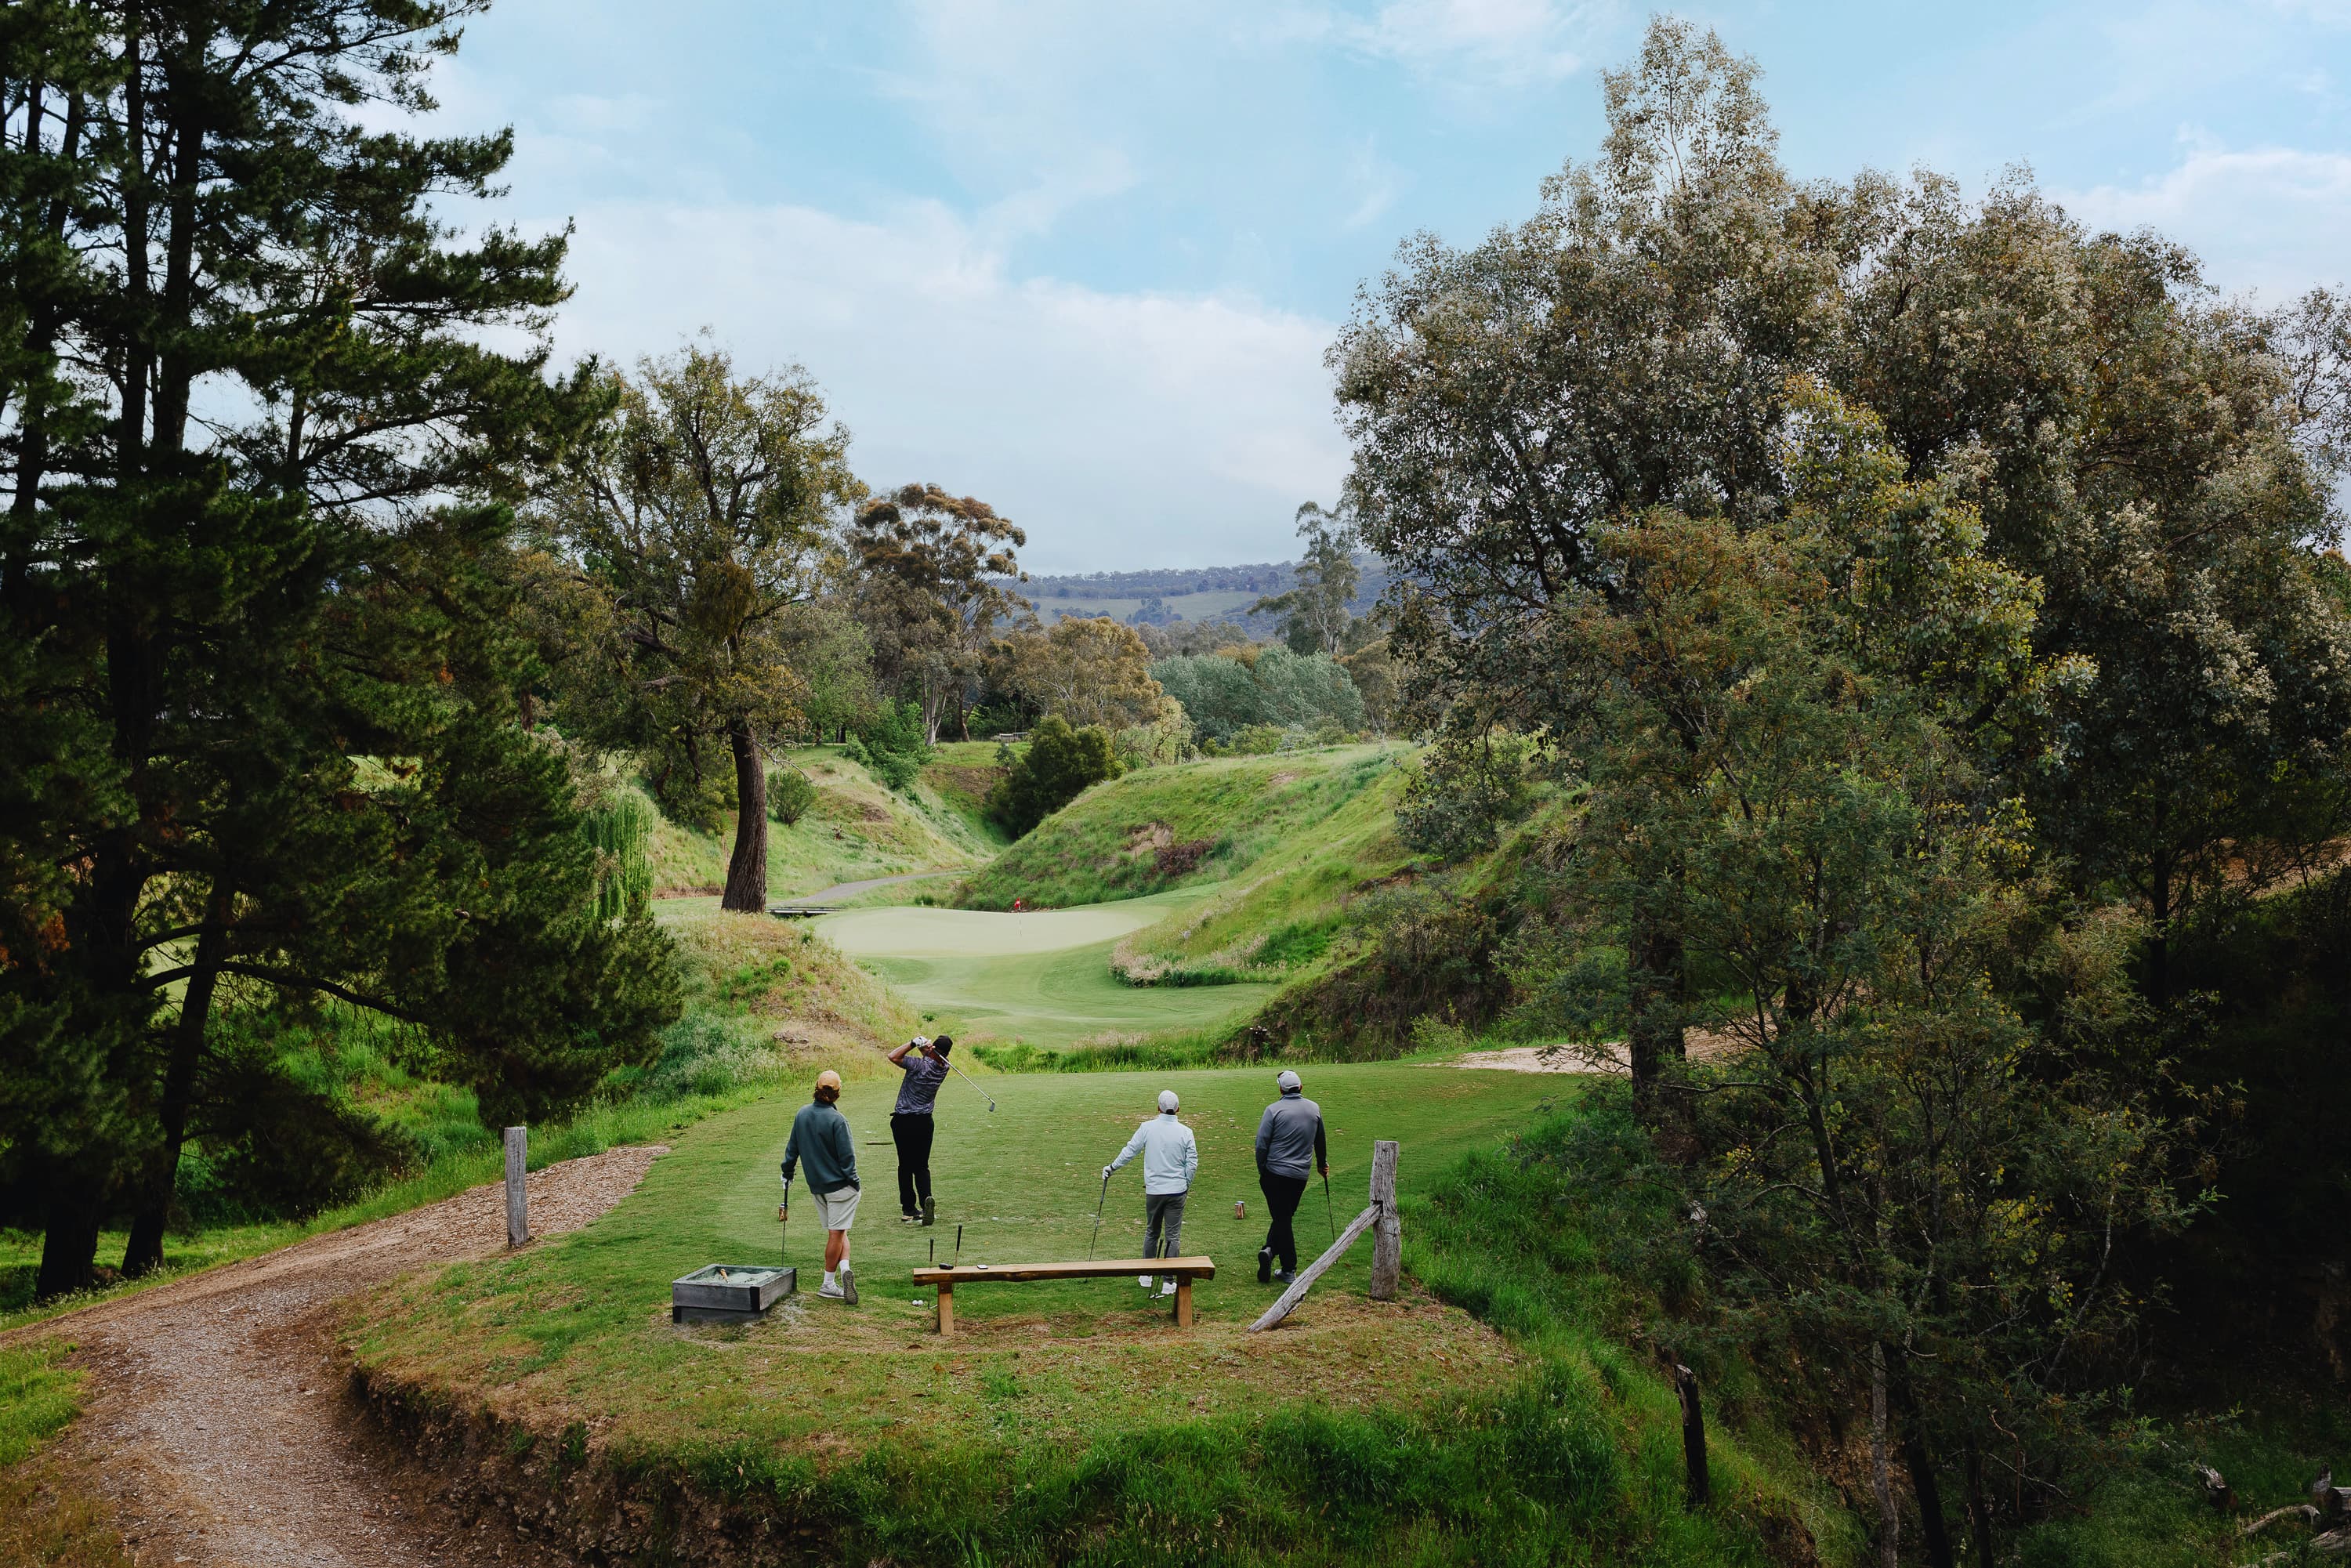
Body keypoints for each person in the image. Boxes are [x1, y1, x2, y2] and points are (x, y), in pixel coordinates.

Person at [1103, 1088, 1198, 1296]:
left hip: (1154, 1191)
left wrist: (1112, 1167)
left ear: (1158, 1108)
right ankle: (1168, 1281)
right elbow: (1192, 1163)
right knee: (1173, 1236)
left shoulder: (1147, 1128)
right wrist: (1186, 1184)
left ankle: (1146, 1275)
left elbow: (1130, 1151)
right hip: (1177, 1191)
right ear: (1178, 1109)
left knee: (1152, 1232)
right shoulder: (1186, 1132)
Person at [780, 1069, 860, 1302]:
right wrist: (855, 1183)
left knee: (839, 1230)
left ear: (816, 1088)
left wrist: (787, 1173)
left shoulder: (802, 1114)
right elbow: (847, 1159)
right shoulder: (838, 1120)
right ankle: (827, 1284)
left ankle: (845, 1270)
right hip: (840, 1188)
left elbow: (792, 1150)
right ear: (837, 1093)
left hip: (817, 1187)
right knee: (836, 1234)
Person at [1253, 1069, 1326, 1285]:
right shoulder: (1314, 1109)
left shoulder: (1273, 1110)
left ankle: (1288, 1268)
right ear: (1301, 1087)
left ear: (1281, 1090)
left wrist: (1262, 1169)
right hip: (1299, 1177)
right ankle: (1269, 1251)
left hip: (1274, 1173)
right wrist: (1322, 1164)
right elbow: (1320, 1141)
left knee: (1282, 1218)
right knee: (1283, 1216)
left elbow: (1261, 1144)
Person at [886, 1034, 951, 1226]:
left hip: (904, 1121)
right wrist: (927, 1050)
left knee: (905, 1166)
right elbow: (933, 1059)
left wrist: (914, 1043)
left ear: (933, 1049)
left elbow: (893, 1056)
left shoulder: (918, 1065)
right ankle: (926, 1202)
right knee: (922, 1166)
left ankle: (908, 1209)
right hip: (925, 1122)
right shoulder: (944, 1067)